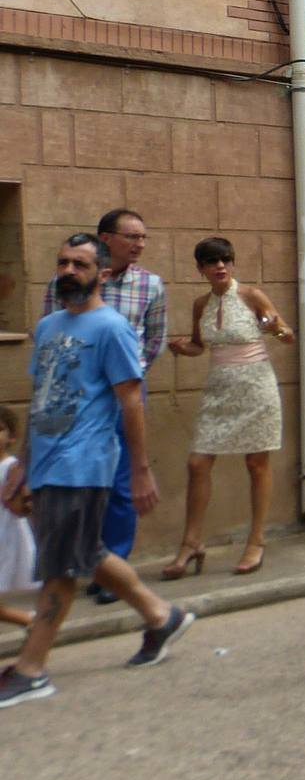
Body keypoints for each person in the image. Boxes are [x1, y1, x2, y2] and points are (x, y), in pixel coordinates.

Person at [0, 234, 194, 708]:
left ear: (103, 273)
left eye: (80, 264)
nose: (68, 270)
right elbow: (43, 398)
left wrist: (140, 469)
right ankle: (160, 616)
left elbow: (131, 401)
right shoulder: (48, 326)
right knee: (85, 551)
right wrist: (22, 463)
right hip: (47, 461)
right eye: (63, 262)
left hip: (83, 462)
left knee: (62, 567)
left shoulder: (113, 328)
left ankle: (32, 669)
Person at [42, 209, 164, 606]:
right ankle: (86, 564)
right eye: (132, 236)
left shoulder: (150, 285)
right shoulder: (66, 281)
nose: (140, 244)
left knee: (122, 483)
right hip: (74, 396)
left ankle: (115, 568)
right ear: (107, 239)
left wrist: (126, 375)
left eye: (143, 237)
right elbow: (52, 332)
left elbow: (154, 340)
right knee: (78, 480)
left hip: (124, 395)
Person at [160, 237, 293, 579]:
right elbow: (199, 346)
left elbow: (287, 335)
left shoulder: (252, 295)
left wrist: (276, 329)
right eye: (212, 261)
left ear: (232, 264)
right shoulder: (200, 304)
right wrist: (181, 348)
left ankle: (256, 540)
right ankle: (191, 543)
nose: (220, 266)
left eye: (225, 260)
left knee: (256, 463)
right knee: (197, 463)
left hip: (256, 387)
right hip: (218, 390)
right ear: (200, 268)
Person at [0, 410, 36, 630]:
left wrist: (23, 501)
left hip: (5, 535)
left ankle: (31, 622)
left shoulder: (12, 467)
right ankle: (31, 622)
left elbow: (23, 505)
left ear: (11, 437)